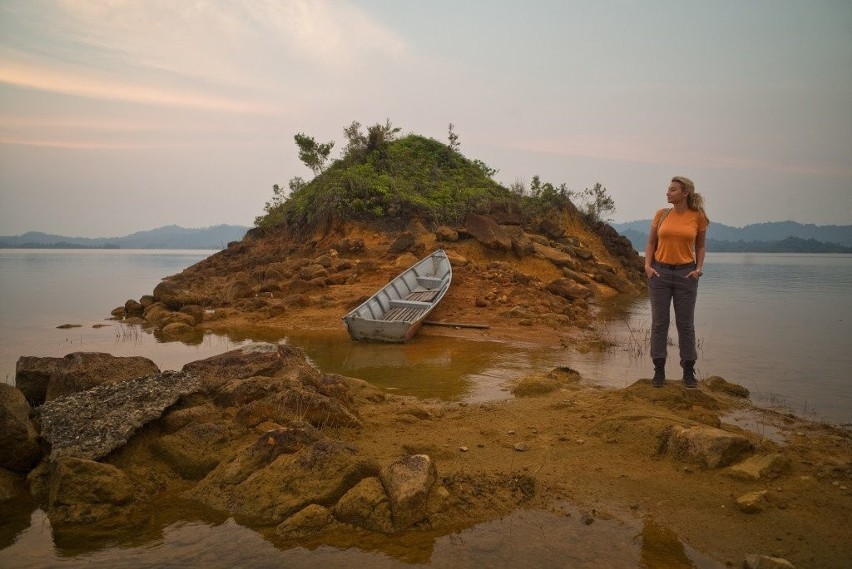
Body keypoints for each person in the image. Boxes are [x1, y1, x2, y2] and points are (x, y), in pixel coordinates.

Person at [644, 176, 709, 388]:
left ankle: (689, 372)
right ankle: (659, 371)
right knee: (659, 323)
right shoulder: (661, 215)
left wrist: (698, 270)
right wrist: (648, 266)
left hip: (686, 275)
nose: (668, 192)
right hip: (660, 274)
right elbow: (652, 242)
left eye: (673, 190)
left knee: (685, 325)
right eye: (668, 189)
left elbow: (700, 246)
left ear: (685, 193)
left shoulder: (697, 217)